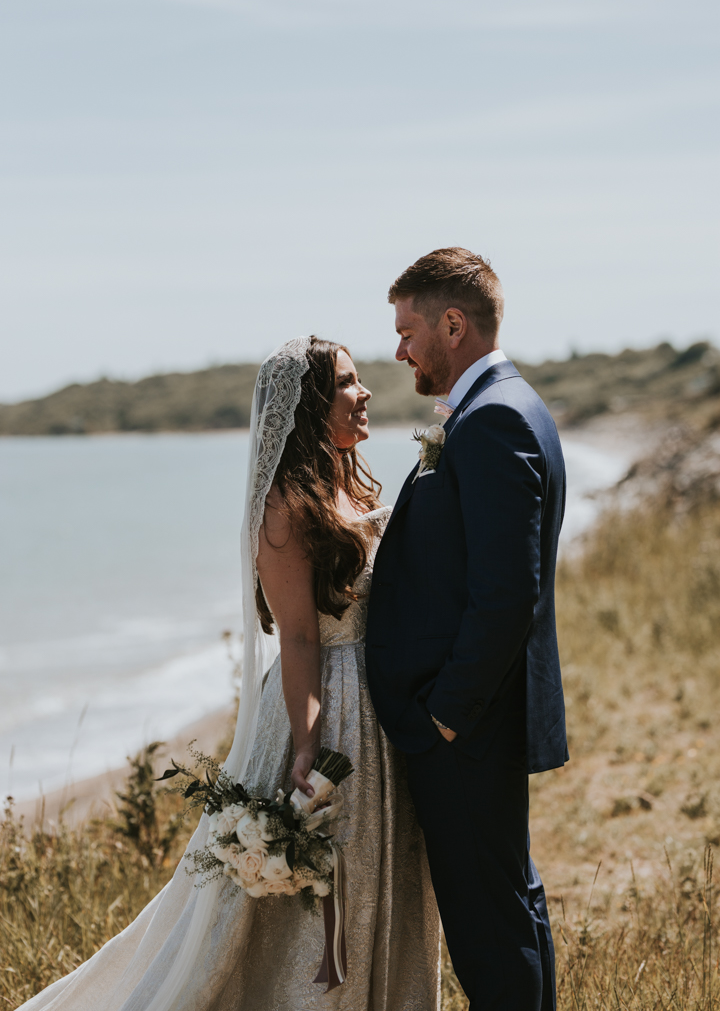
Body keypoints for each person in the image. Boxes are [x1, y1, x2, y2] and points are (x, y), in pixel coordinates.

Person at [19, 336, 440, 1011]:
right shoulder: (284, 510)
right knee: (321, 888)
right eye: (347, 384)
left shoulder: (353, 480)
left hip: (383, 704)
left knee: (379, 872)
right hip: (331, 708)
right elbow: (300, 636)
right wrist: (307, 745)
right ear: (310, 406)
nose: (364, 394)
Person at [366, 248, 568, 1011]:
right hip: (481, 717)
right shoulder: (509, 406)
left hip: (469, 723)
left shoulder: (490, 423)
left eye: (409, 330)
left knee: (486, 924)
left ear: (454, 324)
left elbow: (508, 592)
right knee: (508, 901)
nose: (400, 349)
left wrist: (446, 714)